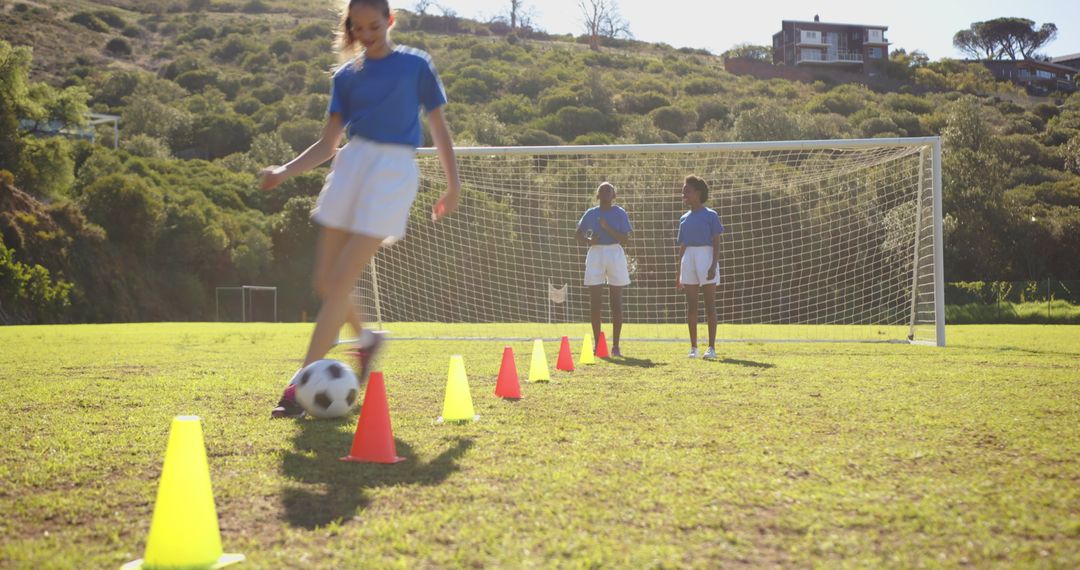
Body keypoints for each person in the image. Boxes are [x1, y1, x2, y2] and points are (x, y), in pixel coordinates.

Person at [258, 0, 460, 418]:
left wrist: (453, 183)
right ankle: (366, 339)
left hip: (392, 174)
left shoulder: (416, 66)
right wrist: (285, 170)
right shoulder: (346, 77)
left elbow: (438, 126)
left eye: (374, 26)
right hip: (350, 166)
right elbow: (327, 144)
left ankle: (299, 387)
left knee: (339, 281)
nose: (367, 35)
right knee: (325, 282)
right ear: (349, 27)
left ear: (389, 20)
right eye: (358, 28)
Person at [575, 182, 632, 357]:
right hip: (595, 254)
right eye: (602, 190)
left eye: (609, 190)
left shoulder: (620, 213)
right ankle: (599, 345)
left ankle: (615, 346)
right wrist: (589, 241)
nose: (606, 192)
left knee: (616, 303)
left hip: (615, 252)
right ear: (598, 196)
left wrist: (607, 228)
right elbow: (578, 234)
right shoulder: (590, 213)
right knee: (595, 303)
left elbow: (626, 238)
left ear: (614, 195)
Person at [676, 175, 724, 359]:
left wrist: (713, 264)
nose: (684, 194)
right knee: (692, 305)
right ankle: (693, 347)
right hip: (689, 260)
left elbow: (717, 242)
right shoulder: (684, 218)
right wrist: (679, 272)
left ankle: (711, 348)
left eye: (687, 191)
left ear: (698, 192)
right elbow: (683, 246)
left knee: (710, 305)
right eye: (683, 191)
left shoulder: (711, 215)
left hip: (706, 257)